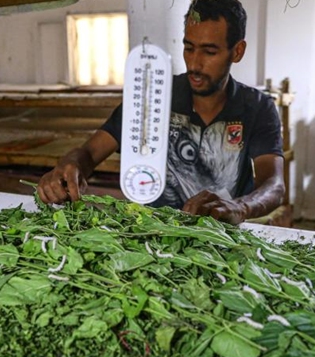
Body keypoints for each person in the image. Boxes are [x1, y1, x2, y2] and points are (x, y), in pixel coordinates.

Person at [36, 0, 285, 225]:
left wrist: (239, 207)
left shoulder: (257, 107)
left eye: (209, 52)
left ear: (237, 51)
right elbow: (90, 152)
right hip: (153, 234)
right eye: (189, 48)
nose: (195, 64)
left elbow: (273, 185)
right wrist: (70, 166)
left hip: (219, 235)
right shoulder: (153, 94)